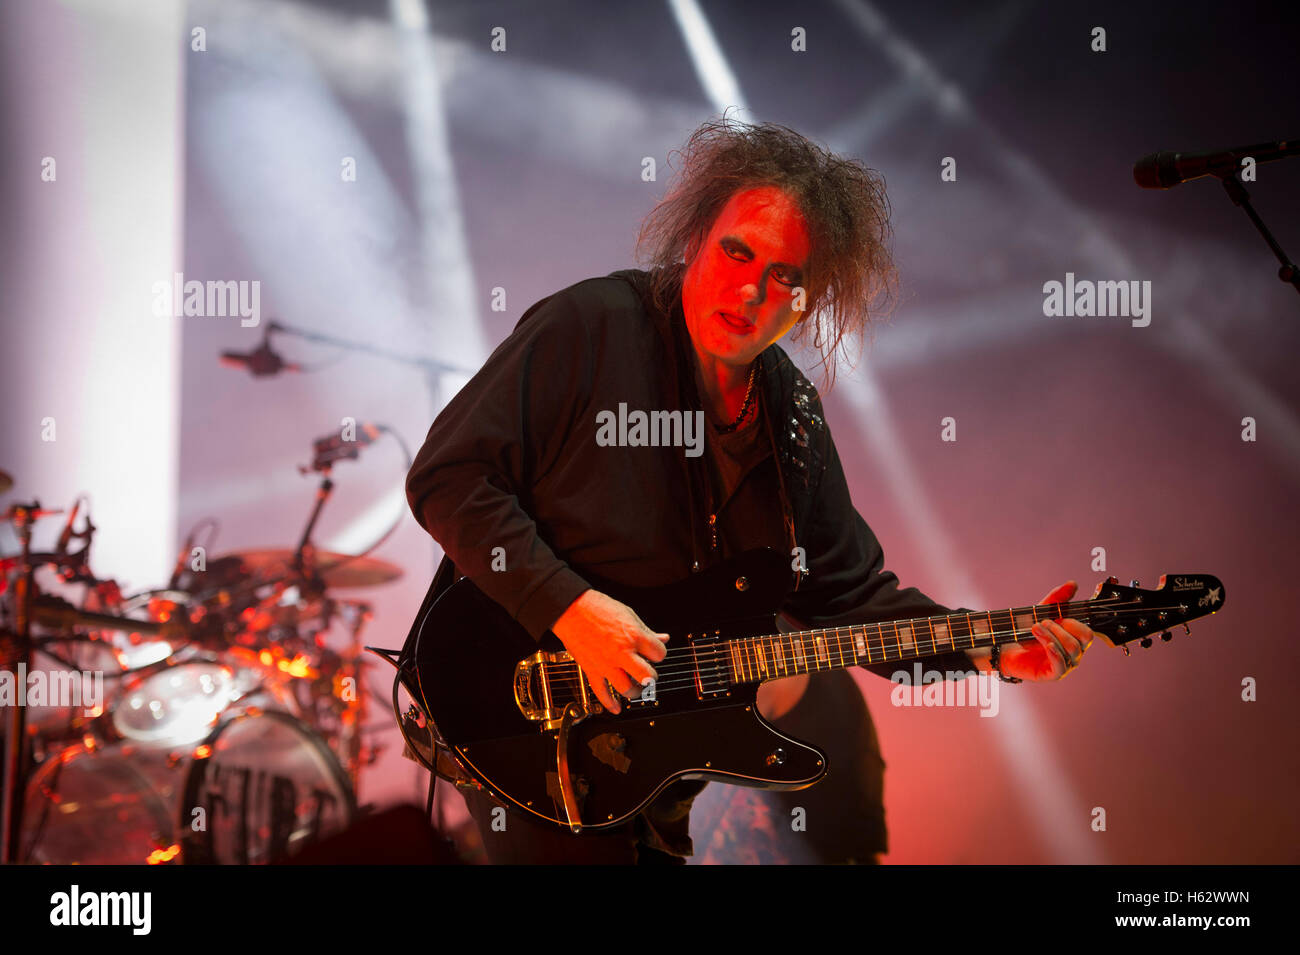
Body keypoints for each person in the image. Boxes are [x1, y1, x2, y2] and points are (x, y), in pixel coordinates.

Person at [404, 116, 1096, 864]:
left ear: (808, 298)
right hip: (519, 704)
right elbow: (449, 475)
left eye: (785, 277)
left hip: (655, 766)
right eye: (737, 251)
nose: (750, 290)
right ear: (696, 236)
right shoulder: (592, 326)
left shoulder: (791, 418)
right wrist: (570, 608)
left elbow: (851, 596)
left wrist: (989, 652)